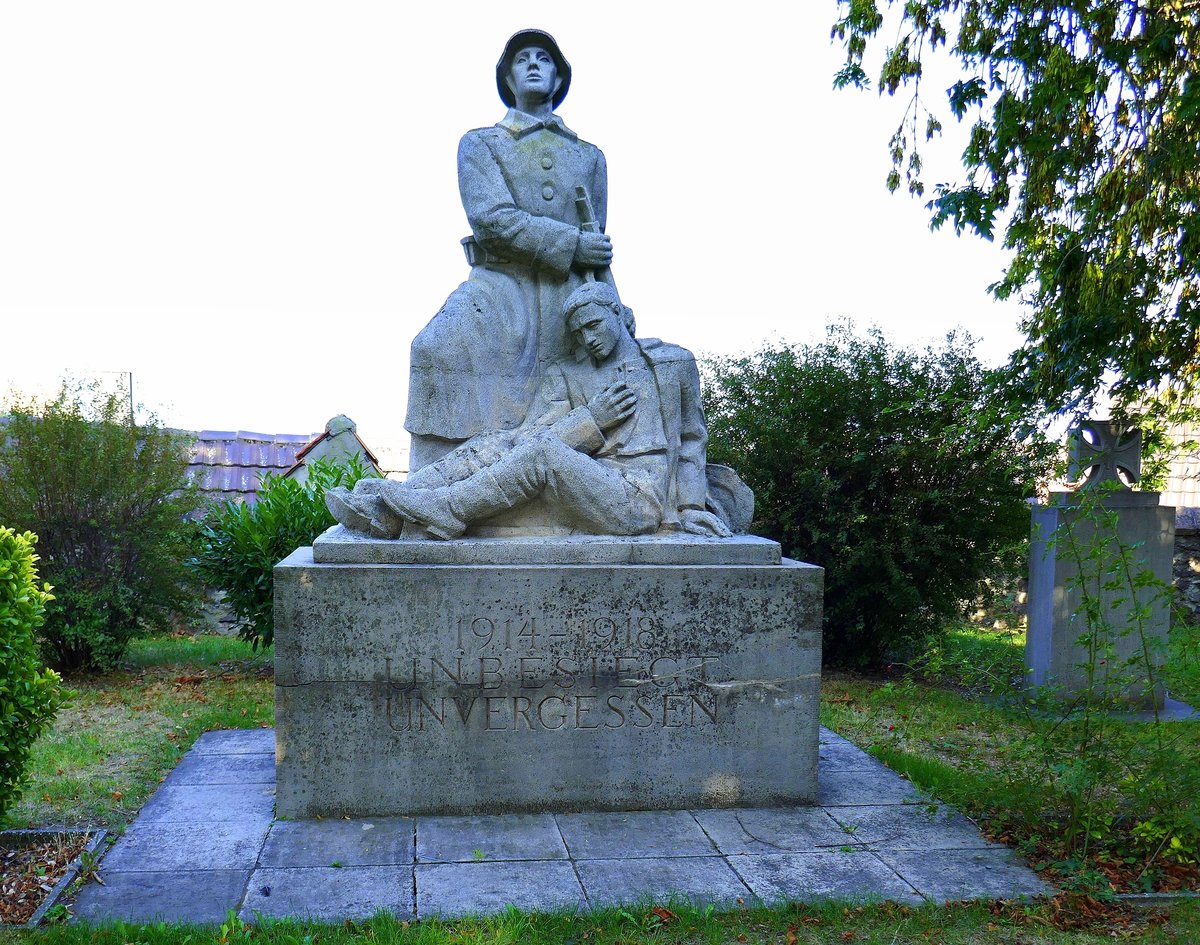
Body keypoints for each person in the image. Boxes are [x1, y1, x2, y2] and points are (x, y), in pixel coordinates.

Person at [328, 283, 731, 540]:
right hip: (591, 483)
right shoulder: (568, 374)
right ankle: (393, 503)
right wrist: (593, 418)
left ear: (620, 315)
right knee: (496, 441)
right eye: (579, 333)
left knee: (542, 456)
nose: (588, 338)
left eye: (594, 324)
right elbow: (535, 436)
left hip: (639, 499)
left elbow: (693, 438)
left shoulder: (670, 364)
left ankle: (448, 509)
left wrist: (690, 508)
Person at [404, 29, 615, 471]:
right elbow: (492, 220)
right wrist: (572, 244)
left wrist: (609, 299)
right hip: (499, 286)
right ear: (508, 78)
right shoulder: (482, 143)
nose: (534, 63)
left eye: (544, 58)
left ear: (558, 79)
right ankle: (432, 481)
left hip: (567, 292)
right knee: (433, 348)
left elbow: (595, 239)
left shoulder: (589, 156)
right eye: (523, 59)